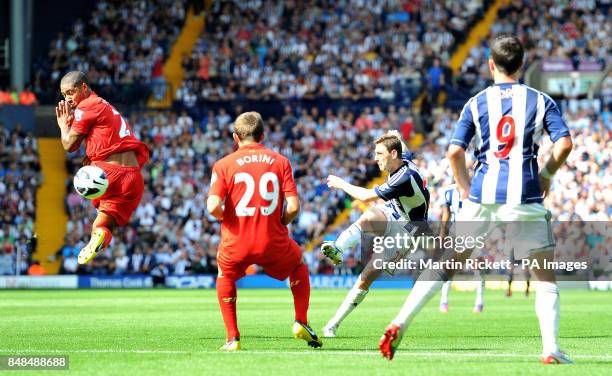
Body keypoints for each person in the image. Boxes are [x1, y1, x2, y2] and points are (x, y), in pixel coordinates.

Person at [379, 34, 574, 364]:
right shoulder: (541, 100)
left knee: (446, 264)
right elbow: (565, 144)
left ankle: (399, 322)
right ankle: (550, 349)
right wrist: (547, 175)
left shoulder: (476, 102)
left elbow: (455, 151)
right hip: (525, 193)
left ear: (490, 64)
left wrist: (464, 186)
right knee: (545, 278)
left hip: (482, 193)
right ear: (522, 65)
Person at [207, 111, 321, 351]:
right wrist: (280, 223)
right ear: (263, 135)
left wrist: (228, 218)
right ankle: (301, 320)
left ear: (235, 137)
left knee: (225, 275)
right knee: (298, 264)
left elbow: (213, 206)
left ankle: (233, 338)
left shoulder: (223, 164)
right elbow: (294, 207)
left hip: (236, 240)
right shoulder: (280, 161)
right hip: (272, 240)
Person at [320, 131, 429, 337]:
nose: (375, 158)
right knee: (369, 216)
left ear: (393, 154)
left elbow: (365, 196)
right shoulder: (401, 161)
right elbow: (403, 148)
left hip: (409, 230)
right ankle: (338, 248)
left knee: (366, 276)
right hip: (395, 211)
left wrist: (341, 183)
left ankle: (333, 324)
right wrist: (396, 134)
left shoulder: (403, 178)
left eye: (379, 153)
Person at [55, 71, 149, 265]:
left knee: (84, 180)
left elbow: (69, 145)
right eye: (64, 95)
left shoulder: (86, 105)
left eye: (71, 92)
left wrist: (64, 126)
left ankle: (96, 238)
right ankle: (97, 239)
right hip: (133, 178)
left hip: (107, 174)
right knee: (101, 226)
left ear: (84, 88)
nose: (68, 99)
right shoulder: (106, 106)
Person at [437, 185, 485, 314]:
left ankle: (479, 301)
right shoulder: (448, 191)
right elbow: (446, 213)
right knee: (449, 267)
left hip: (472, 231)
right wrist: (442, 233)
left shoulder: (476, 188)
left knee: (476, 266)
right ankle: (444, 301)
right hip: (456, 232)